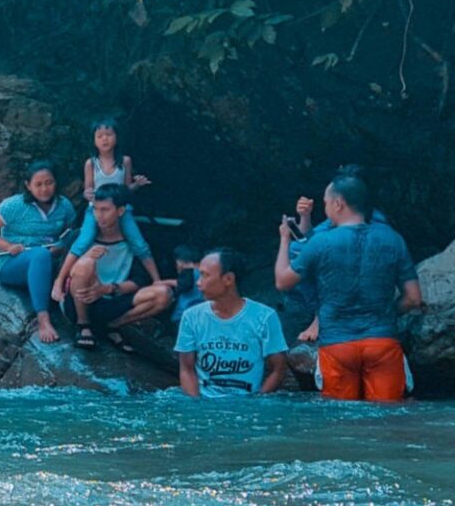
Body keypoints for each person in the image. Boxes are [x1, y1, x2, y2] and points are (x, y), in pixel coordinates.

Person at [274, 172, 423, 402]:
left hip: (337, 344)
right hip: (381, 341)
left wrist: (285, 238)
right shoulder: (393, 239)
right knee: (389, 417)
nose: (326, 209)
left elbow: (283, 281)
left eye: (325, 203)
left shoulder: (322, 242)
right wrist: (384, 312)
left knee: (341, 422)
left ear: (338, 203)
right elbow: (413, 299)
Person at [52, 184, 173, 351]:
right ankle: (83, 325)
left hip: (112, 299)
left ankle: (112, 326)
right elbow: (71, 274)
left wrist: (107, 289)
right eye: (96, 210)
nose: (99, 216)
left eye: (105, 210)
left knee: (164, 294)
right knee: (85, 264)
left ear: (120, 211)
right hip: (81, 301)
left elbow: (139, 281)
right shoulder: (82, 237)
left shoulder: (131, 241)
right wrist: (87, 258)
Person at [0, 161, 78, 344]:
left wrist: (60, 245)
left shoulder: (64, 205)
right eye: (38, 184)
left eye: (49, 182)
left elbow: (70, 231)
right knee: (39, 255)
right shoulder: (15, 205)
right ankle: (43, 319)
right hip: (11, 262)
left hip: (50, 258)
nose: (44, 189)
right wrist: (6, 246)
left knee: (81, 238)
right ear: (28, 185)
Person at [175, 248, 288, 397]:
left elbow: (278, 369)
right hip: (206, 403)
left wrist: (258, 401)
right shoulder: (191, 317)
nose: (198, 283)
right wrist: (196, 405)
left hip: (248, 403)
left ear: (228, 279)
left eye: (204, 275)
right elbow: (186, 369)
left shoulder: (265, 317)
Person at [83, 118, 152, 203]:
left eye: (108, 134)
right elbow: (88, 192)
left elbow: (127, 190)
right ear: (94, 141)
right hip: (98, 208)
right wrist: (87, 194)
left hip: (120, 207)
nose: (104, 139)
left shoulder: (125, 161)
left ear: (117, 137)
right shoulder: (91, 163)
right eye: (99, 136)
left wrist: (137, 184)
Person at [170, 244, 206, 324]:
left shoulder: (188, 273)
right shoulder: (207, 273)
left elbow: (184, 284)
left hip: (184, 315)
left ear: (180, 262)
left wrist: (164, 282)